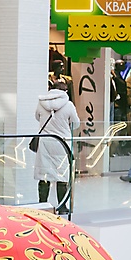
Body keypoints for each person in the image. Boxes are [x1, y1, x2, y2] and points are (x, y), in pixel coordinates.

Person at [34, 80, 80, 213]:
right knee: (62, 175)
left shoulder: (41, 103)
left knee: (44, 174)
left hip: (45, 142)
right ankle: (62, 207)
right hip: (62, 143)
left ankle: (43, 205)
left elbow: (37, 117)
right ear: (65, 91)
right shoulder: (69, 105)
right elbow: (76, 123)